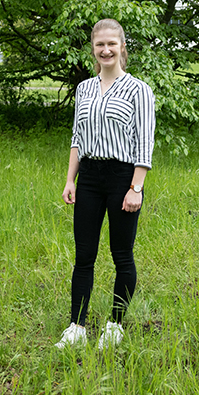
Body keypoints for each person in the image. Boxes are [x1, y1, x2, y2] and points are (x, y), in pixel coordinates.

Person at [55, 19, 155, 350]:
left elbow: (145, 143)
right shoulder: (84, 89)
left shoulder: (139, 90)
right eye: (100, 45)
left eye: (112, 43)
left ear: (122, 47)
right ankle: (77, 327)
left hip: (123, 178)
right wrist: (71, 179)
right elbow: (76, 138)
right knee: (84, 255)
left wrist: (135, 188)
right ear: (93, 50)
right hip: (89, 178)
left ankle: (115, 324)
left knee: (121, 254)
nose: (106, 49)